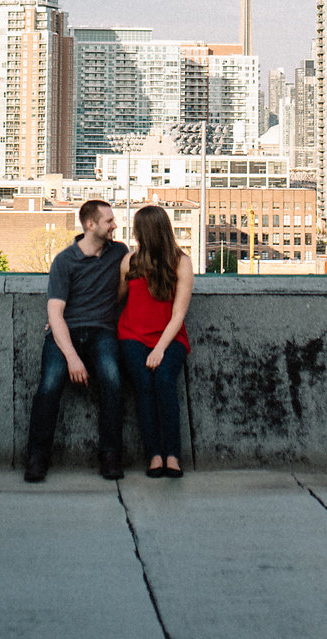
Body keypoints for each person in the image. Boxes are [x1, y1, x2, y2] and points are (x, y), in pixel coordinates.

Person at [24, 198, 128, 482]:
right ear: (90, 224)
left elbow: (122, 288)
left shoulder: (119, 252)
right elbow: (55, 314)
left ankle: (110, 455)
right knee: (49, 385)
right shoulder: (64, 260)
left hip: (102, 331)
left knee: (112, 380)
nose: (114, 225)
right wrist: (72, 358)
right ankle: (37, 457)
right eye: (109, 221)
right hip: (66, 332)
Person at [117, 205, 192, 478]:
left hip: (170, 338)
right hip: (131, 335)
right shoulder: (130, 261)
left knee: (163, 381)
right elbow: (115, 299)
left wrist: (160, 349)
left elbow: (179, 313)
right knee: (144, 386)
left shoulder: (181, 262)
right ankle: (154, 456)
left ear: (145, 232)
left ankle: (173, 455)